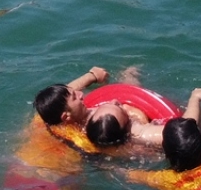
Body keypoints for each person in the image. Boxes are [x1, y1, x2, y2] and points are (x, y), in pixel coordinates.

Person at [33, 66, 169, 156]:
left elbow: (62, 95)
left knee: (128, 76)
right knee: (130, 81)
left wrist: (91, 76)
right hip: (133, 132)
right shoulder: (90, 133)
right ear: (66, 117)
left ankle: (130, 75)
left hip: (120, 120)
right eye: (75, 97)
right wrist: (136, 114)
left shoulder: (51, 119)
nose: (81, 94)